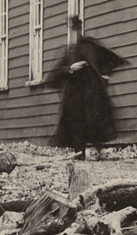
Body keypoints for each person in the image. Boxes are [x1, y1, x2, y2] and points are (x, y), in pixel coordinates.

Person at [46, 16, 128, 160]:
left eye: (77, 29)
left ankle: (100, 151)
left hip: (92, 94)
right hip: (75, 95)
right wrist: (71, 68)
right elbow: (57, 74)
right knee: (76, 122)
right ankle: (80, 152)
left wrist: (105, 75)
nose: (75, 33)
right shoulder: (70, 52)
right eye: (73, 30)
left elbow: (108, 60)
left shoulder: (90, 46)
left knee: (95, 120)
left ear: (80, 29)